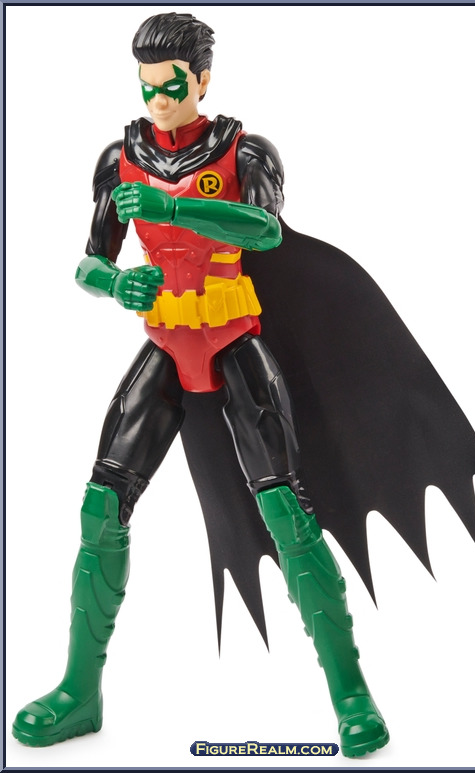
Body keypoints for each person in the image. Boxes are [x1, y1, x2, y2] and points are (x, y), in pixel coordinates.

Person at [12, 12, 389, 757]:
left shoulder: (245, 151)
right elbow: (89, 260)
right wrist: (114, 283)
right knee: (100, 505)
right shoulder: (121, 157)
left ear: (203, 79)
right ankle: (79, 691)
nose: (158, 99)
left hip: (233, 342)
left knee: (286, 510)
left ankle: (351, 693)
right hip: (164, 343)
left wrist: (175, 207)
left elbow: (265, 230)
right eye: (147, 86)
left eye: (172, 85)